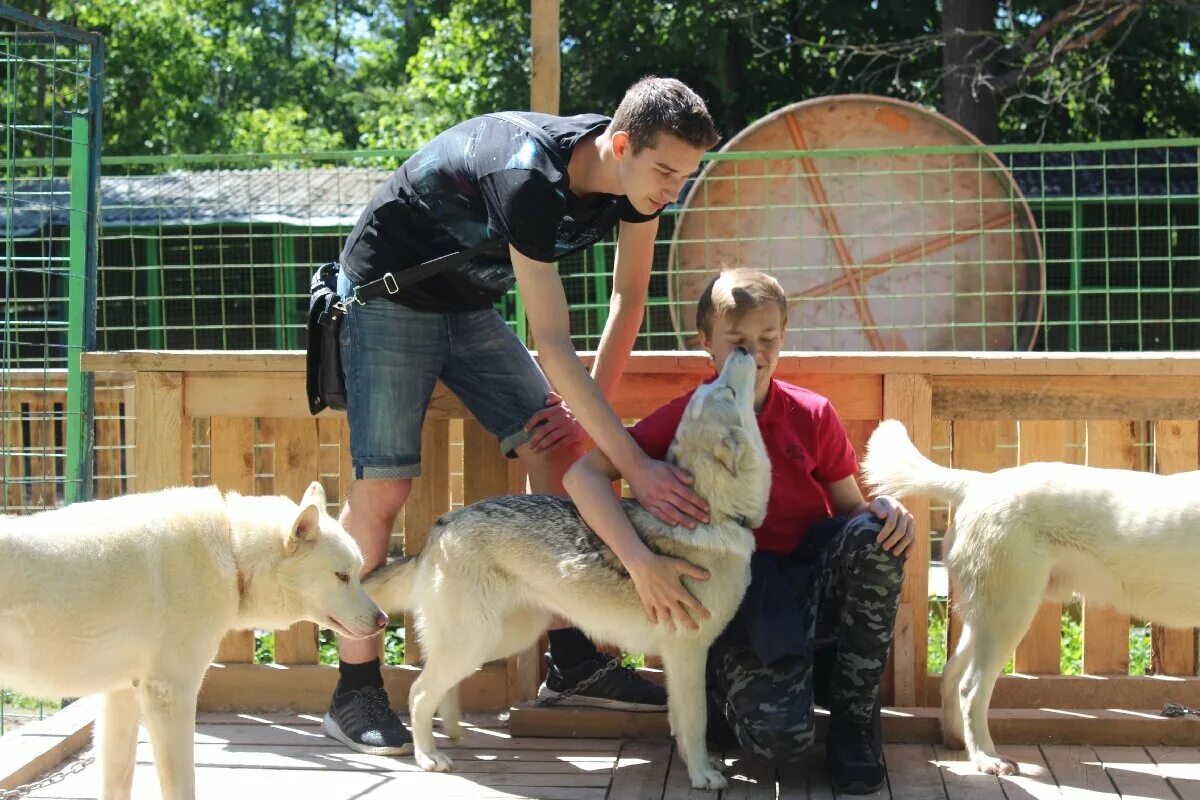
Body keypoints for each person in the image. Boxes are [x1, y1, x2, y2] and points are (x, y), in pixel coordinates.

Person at [322, 77, 722, 756]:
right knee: (385, 485)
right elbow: (553, 341)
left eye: (686, 176)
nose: (673, 191)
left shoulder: (636, 180)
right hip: (388, 294)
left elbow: (628, 302)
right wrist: (635, 465)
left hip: (468, 305)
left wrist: (584, 420)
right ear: (621, 145)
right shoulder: (529, 178)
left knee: (564, 455)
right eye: (665, 172)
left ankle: (573, 662)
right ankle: (355, 688)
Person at [564, 269, 915, 793]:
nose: (755, 353)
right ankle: (727, 688)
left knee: (874, 537)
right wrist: (640, 561)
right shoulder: (688, 417)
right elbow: (582, 475)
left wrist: (883, 509)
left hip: (806, 574)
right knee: (780, 743)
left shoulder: (812, 413)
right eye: (738, 342)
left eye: (768, 339)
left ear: (784, 335)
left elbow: (848, 510)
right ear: (706, 342)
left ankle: (854, 724)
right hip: (736, 597)